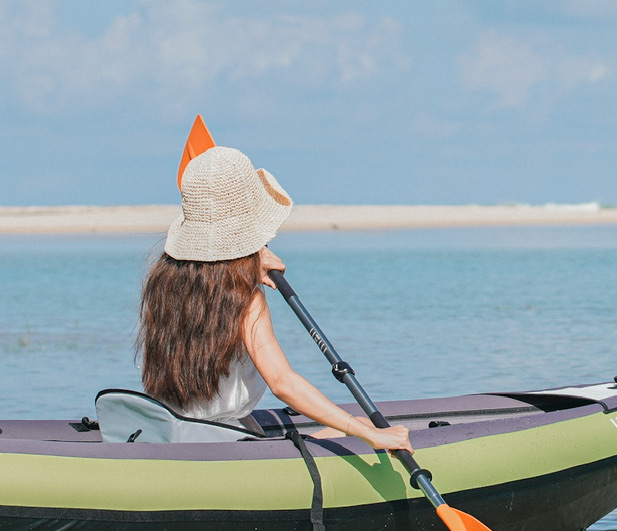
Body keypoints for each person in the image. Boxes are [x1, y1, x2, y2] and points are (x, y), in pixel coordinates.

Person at [137, 143, 412, 451]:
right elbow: (283, 384)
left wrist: (250, 262)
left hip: (167, 426)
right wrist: (369, 433)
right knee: (353, 430)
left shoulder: (163, 282)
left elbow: (211, 275)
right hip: (220, 441)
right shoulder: (244, 300)